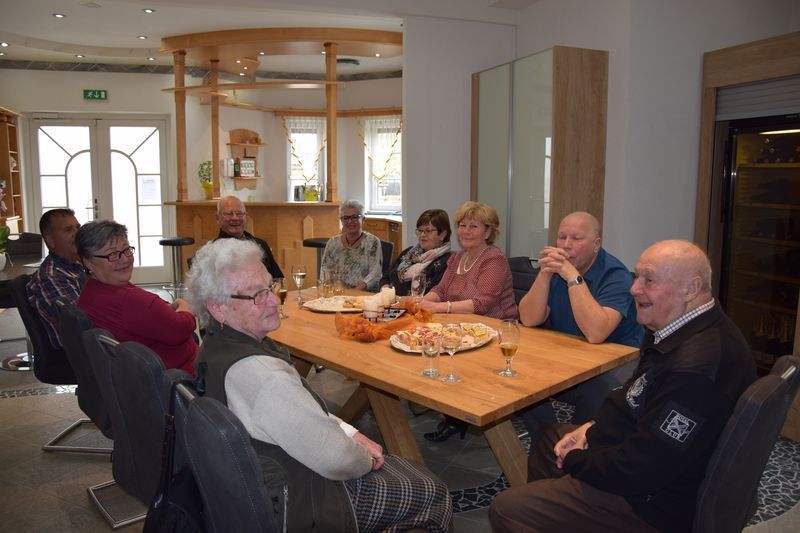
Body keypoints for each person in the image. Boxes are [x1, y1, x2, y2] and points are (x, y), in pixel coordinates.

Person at [186, 238, 453, 532]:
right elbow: (337, 459)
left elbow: (300, 412)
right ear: (218, 308)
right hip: (306, 503)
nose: (274, 300)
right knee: (432, 490)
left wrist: (349, 431)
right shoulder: (262, 375)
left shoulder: (214, 345)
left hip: (260, 490)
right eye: (257, 296)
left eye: (270, 286)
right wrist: (364, 458)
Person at [489, 240, 756, 533]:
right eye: (636, 276)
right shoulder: (684, 328)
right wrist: (591, 428)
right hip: (640, 458)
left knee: (508, 508)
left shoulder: (696, 369)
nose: (634, 288)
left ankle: (559, 510)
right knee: (548, 437)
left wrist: (578, 459)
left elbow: (644, 468)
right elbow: (638, 395)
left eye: (649, 280)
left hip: (650, 503)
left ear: (691, 289)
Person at [518, 211, 642, 438]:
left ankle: (576, 450)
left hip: (616, 363)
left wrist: (572, 276)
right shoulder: (556, 270)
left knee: (593, 389)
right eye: (561, 237)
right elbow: (529, 318)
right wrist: (545, 276)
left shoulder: (617, 275)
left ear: (596, 244)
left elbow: (596, 333)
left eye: (576, 238)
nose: (566, 246)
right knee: (519, 376)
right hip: (572, 355)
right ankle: (547, 442)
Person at [421, 201, 517, 442]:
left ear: (488, 231)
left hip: (495, 332)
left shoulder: (494, 259)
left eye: (474, 226)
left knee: (449, 358)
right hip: (461, 328)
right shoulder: (457, 257)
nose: (466, 231)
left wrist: (439, 308)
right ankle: (454, 415)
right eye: (462, 225)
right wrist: (423, 301)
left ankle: (460, 416)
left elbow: (483, 303)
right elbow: (441, 289)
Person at [76, 220, 197, 376]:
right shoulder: (127, 300)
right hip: (177, 381)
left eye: (126, 250)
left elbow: (153, 314)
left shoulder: (92, 291)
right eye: (112, 254)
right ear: (89, 262)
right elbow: (182, 327)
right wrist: (184, 304)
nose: (125, 259)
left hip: (145, 375)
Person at [26, 209, 84, 348]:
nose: (78, 234)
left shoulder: (82, 263)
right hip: (84, 356)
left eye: (78, 228)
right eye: (68, 229)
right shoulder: (52, 277)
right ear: (50, 240)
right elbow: (81, 325)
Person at [380, 208, 452, 296]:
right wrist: (385, 289)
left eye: (428, 231)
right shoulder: (408, 252)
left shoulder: (447, 261)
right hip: (390, 303)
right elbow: (386, 277)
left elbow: (435, 294)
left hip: (417, 306)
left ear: (443, 234)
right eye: (420, 230)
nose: (422, 235)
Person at [215, 195, 284, 279]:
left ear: (246, 217)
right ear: (218, 218)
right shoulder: (210, 251)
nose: (235, 218)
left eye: (239, 214)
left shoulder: (260, 245)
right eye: (229, 214)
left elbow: (278, 279)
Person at [320, 199, 382, 291]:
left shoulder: (372, 242)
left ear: (363, 219)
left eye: (354, 217)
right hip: (336, 292)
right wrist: (328, 288)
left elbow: (375, 274)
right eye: (345, 218)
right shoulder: (333, 242)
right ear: (341, 221)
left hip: (363, 294)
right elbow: (324, 270)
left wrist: (354, 291)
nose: (350, 221)